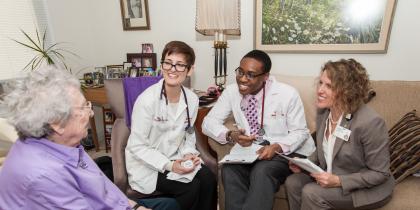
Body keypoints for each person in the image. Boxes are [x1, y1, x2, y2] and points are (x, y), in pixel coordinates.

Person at [0, 67, 178, 210]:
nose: (91, 112)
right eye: (83, 107)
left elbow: (103, 187)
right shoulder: (44, 176)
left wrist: (136, 206)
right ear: (56, 123)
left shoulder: (65, 143)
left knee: (170, 204)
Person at [202, 49, 315, 210]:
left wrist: (276, 147)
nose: (242, 78)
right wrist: (230, 135)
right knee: (229, 170)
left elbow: (300, 132)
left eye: (250, 74)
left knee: (263, 170)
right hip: (251, 151)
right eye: (240, 71)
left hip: (285, 152)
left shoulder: (287, 94)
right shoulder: (232, 91)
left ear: (265, 77)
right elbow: (208, 122)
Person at [285, 59, 395, 210]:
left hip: (364, 188)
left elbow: (380, 173)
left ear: (348, 91)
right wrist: (305, 164)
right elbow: (326, 148)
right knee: (293, 183)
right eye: (321, 83)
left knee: (311, 192)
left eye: (329, 86)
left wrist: (338, 181)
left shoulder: (370, 122)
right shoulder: (324, 112)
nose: (320, 90)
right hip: (332, 174)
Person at [125, 41, 217, 210]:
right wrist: (170, 165)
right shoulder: (147, 101)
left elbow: (188, 133)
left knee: (208, 179)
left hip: (175, 156)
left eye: (180, 65)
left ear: (189, 70)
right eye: (168, 63)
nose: (172, 69)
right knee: (190, 188)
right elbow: (137, 146)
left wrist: (189, 154)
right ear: (162, 65)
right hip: (148, 164)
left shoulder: (192, 99)